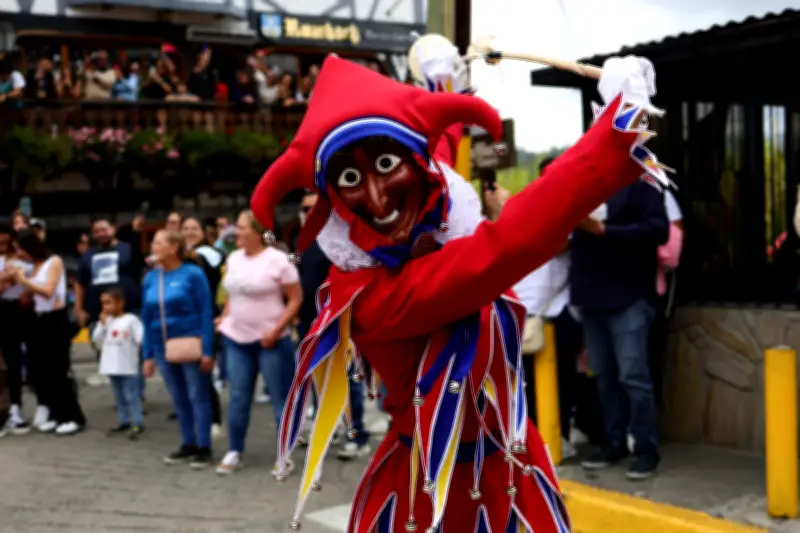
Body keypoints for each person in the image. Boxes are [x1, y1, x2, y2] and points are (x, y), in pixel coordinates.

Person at [249, 54, 671, 531]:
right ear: (334, 202)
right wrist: (615, 131)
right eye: (349, 180)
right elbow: (508, 244)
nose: (378, 198)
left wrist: (442, 83)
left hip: (510, 470)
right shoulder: (371, 296)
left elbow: (437, 152)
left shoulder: (425, 231)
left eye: (387, 163)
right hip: (437, 499)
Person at [571, 169, 669, 479]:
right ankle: (614, 442)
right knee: (604, 376)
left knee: (633, 376)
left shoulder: (643, 181)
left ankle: (645, 449)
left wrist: (606, 231)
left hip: (629, 296)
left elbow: (659, 231)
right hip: (591, 297)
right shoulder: (584, 182)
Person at [215, 210, 301, 475]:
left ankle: (285, 455)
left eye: (240, 228)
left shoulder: (278, 260)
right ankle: (234, 451)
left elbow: (296, 299)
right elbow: (232, 291)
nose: (235, 233)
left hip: (271, 340)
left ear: (258, 232)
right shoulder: (233, 258)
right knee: (238, 397)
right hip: (236, 339)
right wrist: (225, 318)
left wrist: (276, 330)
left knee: (280, 400)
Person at [296, 191, 373, 459]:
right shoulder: (304, 242)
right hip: (309, 324)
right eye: (304, 209)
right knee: (319, 381)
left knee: (349, 382)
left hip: (342, 323)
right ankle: (328, 430)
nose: (308, 214)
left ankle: (357, 435)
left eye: (313, 209)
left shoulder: (343, 240)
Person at [141, 229, 215, 468]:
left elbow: (206, 311)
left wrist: (208, 349)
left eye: (159, 243)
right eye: (154, 243)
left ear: (174, 248)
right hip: (163, 346)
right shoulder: (151, 278)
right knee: (178, 396)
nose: (154, 247)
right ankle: (188, 443)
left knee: (197, 395)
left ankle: (203, 446)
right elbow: (147, 317)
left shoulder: (193, 274)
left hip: (190, 342)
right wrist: (148, 355)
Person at [8, 230, 86, 435]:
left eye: (21, 249)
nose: (19, 254)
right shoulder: (36, 267)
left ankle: (73, 417)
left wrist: (22, 280)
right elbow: (31, 293)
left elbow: (48, 290)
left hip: (55, 319)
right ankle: (57, 414)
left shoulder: (54, 261)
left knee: (59, 370)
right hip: (39, 319)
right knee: (42, 371)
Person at [181, 216, 224, 434]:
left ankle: (214, 419)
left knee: (206, 371)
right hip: (185, 321)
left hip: (207, 317)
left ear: (203, 231)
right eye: (185, 228)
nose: (190, 232)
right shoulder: (180, 257)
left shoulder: (210, 254)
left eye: (194, 228)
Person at [92, 287, 145, 439]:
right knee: (118, 396)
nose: (105, 307)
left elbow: (140, 337)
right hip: (111, 364)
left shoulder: (131, 320)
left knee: (131, 395)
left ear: (120, 303)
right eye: (103, 304)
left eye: (108, 303)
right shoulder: (106, 321)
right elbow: (97, 340)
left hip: (127, 364)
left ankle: (137, 421)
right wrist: (101, 325)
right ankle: (123, 420)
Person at [0, 223, 32, 434]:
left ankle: (15, 408)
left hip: (14, 312)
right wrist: (8, 277)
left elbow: (27, 280)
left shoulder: (22, 259)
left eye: (5, 242)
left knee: (13, 362)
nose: (2, 247)